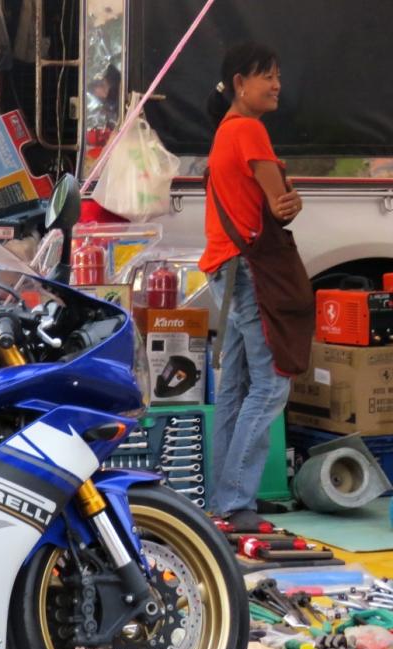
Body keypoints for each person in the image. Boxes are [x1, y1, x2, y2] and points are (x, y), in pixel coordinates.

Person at [199, 43, 306, 528]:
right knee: (271, 384)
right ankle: (235, 501)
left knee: (235, 388)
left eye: (278, 75)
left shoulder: (225, 132)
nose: (277, 85)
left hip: (224, 269)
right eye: (268, 76)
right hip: (247, 273)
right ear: (241, 83)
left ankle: (223, 502)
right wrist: (292, 202)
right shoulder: (249, 130)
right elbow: (280, 207)